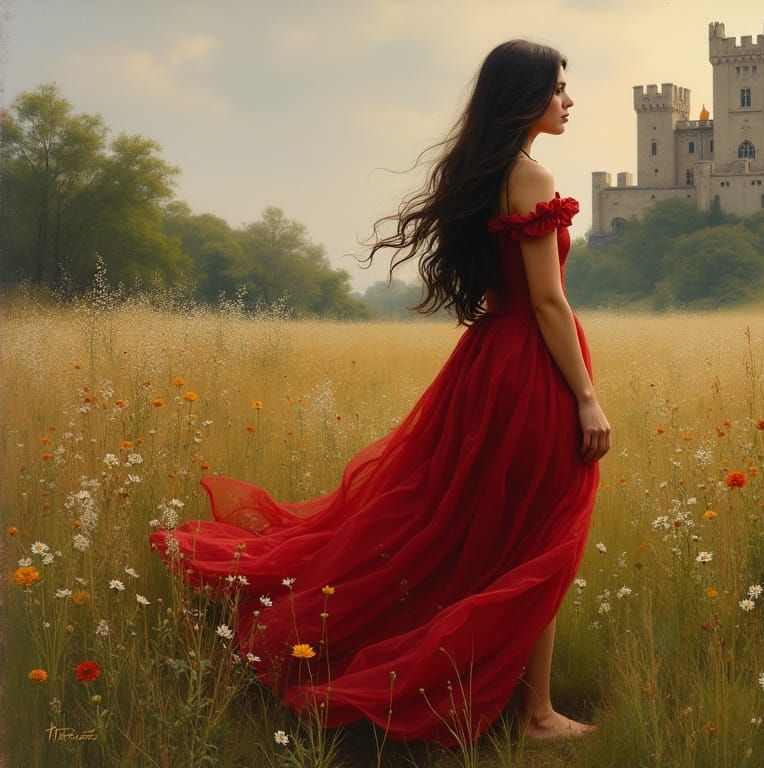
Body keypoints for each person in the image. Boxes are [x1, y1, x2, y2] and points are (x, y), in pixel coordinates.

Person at [150, 39, 610, 746]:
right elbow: (549, 302)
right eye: (557, 88)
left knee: (490, 532)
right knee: (541, 534)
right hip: (530, 371)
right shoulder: (532, 176)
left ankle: (526, 704)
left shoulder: (480, 172)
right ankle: (537, 715)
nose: (568, 100)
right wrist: (586, 396)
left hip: (488, 363)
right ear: (524, 98)